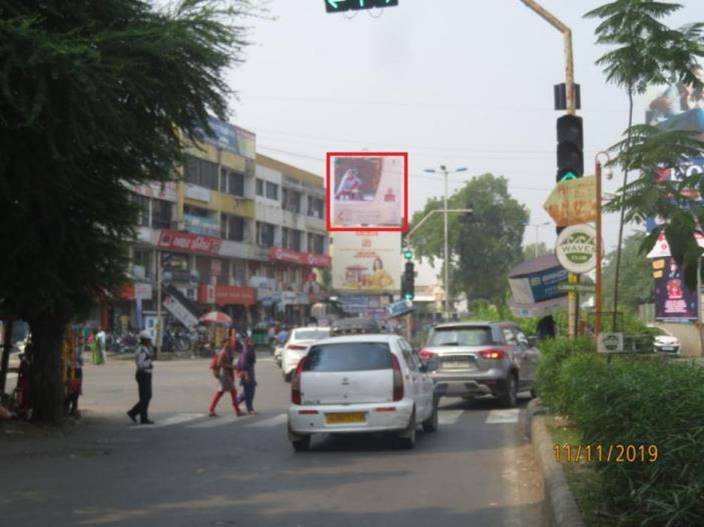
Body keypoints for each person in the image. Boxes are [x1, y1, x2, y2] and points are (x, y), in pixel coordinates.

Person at [208, 332, 243, 418]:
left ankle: (211, 409)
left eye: (229, 341)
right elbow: (220, 363)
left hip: (227, 374)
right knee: (232, 392)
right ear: (224, 343)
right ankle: (237, 411)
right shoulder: (223, 352)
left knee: (221, 392)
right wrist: (231, 366)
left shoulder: (228, 351)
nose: (229, 343)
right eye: (227, 342)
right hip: (225, 374)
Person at [127, 330, 155, 425]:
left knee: (147, 396)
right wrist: (148, 365)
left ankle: (135, 413)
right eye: (148, 340)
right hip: (143, 374)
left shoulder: (145, 348)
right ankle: (140, 416)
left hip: (146, 374)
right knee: (145, 397)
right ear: (144, 340)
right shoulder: (141, 350)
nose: (149, 342)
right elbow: (140, 364)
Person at [237, 335, 257, 415]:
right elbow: (243, 363)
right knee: (249, 392)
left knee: (248, 391)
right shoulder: (246, 351)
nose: (252, 343)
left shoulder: (250, 350)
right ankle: (250, 408)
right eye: (250, 341)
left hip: (250, 372)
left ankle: (236, 401)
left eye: (252, 341)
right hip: (246, 372)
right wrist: (246, 375)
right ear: (247, 342)